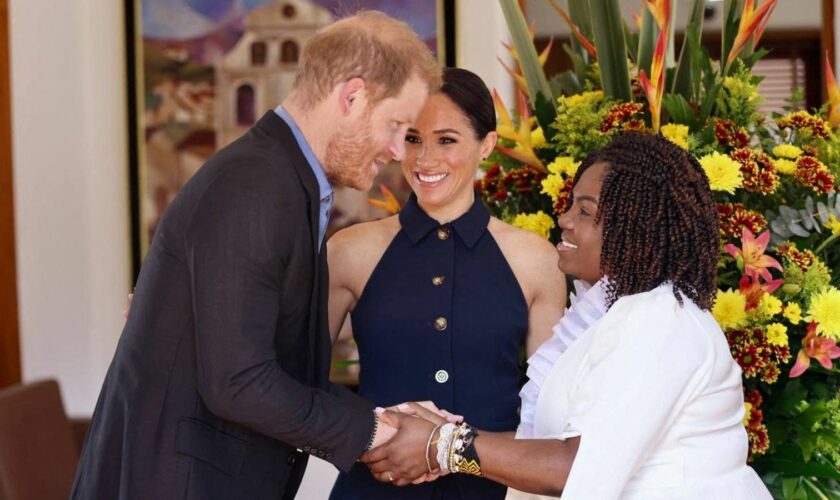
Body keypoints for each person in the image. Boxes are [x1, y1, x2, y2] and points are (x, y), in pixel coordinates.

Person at [70, 11, 440, 500]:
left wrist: (379, 418)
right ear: (352, 97)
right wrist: (376, 433)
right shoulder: (255, 187)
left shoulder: (282, 180)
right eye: (397, 125)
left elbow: (263, 356)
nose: (398, 151)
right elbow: (239, 382)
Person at [363, 132, 773, 499]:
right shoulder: (617, 313)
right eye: (571, 206)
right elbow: (555, 444)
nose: (564, 221)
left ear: (636, 225)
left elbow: (574, 468)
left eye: (585, 212)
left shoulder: (660, 321)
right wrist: (439, 438)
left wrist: (443, 445)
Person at [327, 67, 567, 499]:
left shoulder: (536, 260)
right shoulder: (350, 251)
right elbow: (297, 383)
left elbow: (548, 416)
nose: (425, 160)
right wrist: (372, 436)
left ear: (487, 145)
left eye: (447, 140)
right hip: (373, 488)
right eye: (413, 139)